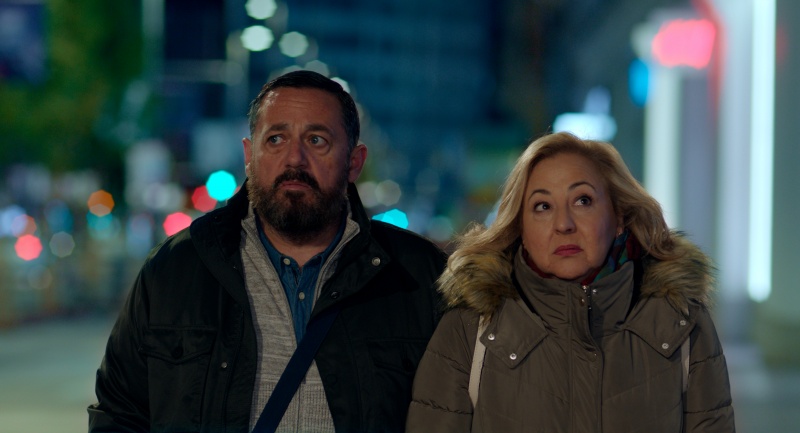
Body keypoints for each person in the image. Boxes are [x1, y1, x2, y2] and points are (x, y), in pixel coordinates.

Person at [88, 70, 447, 433]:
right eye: (275, 139)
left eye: (317, 140)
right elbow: (119, 413)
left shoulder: (418, 276)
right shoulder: (177, 269)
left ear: (354, 162)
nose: (294, 159)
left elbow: (456, 413)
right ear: (250, 155)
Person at [406, 131, 735, 433]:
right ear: (521, 227)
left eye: (583, 201)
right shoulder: (469, 330)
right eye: (543, 206)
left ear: (619, 216)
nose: (563, 224)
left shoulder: (681, 324)